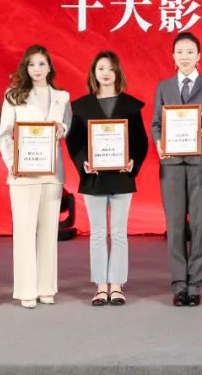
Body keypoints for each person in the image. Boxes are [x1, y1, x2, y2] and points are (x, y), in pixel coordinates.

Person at [66, 51, 149, 307]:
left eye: (111, 68)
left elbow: (141, 142)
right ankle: (101, 286)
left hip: (122, 177)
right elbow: (74, 141)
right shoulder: (81, 106)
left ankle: (117, 284)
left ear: (118, 73)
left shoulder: (130, 105)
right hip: (94, 178)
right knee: (98, 233)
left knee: (119, 233)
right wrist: (83, 162)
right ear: (94, 73)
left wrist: (133, 161)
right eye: (101, 68)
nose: (106, 73)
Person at [0, 45, 72, 309]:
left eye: (41, 64)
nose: (37, 69)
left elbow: (68, 127)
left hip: (52, 174)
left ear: (50, 67)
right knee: (24, 231)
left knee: (49, 232)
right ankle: (26, 289)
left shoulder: (62, 96)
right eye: (31, 64)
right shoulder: (13, 95)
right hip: (22, 174)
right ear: (25, 68)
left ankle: (46, 288)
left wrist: (61, 128)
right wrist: (13, 164)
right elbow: (4, 134)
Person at [150, 32, 202, 306]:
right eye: (180, 52)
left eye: (190, 52)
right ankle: (179, 284)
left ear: (199, 56)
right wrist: (159, 142)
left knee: (200, 225)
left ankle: (195, 285)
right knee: (175, 225)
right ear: (173, 56)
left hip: (201, 163)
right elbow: (156, 123)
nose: (185, 56)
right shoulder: (164, 87)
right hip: (171, 164)